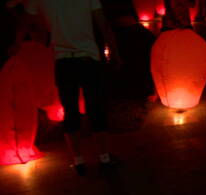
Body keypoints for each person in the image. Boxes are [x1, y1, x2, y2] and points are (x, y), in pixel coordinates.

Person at [7, 0, 122, 176]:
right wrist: (114, 51)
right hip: (88, 58)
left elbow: (26, 21)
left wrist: (16, 42)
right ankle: (104, 158)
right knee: (95, 108)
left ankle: (78, 161)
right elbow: (103, 23)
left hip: (63, 61)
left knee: (70, 110)